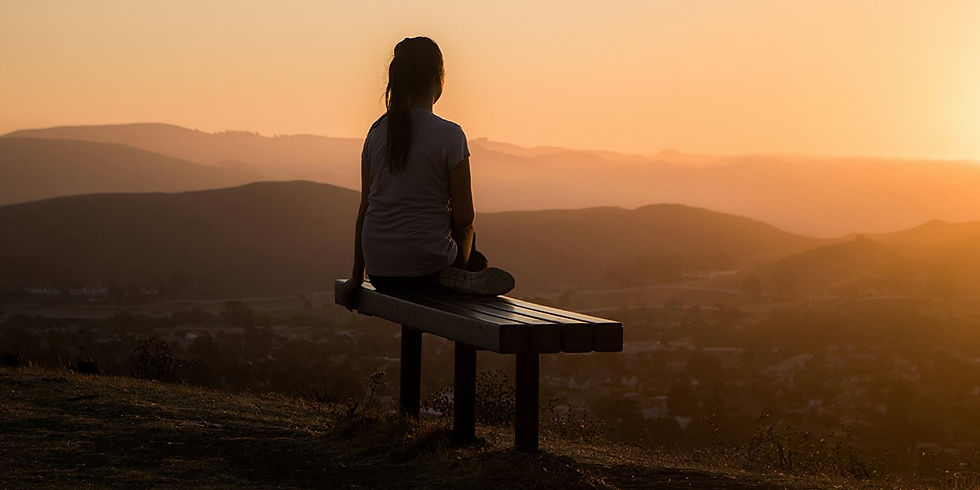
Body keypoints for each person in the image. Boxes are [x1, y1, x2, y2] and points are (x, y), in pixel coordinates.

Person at [339, 36, 514, 309]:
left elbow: (365, 210)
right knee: (469, 235)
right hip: (429, 272)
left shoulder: (375, 133)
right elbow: (465, 216)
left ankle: (465, 272)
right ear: (439, 79)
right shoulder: (450, 135)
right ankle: (467, 273)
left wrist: (355, 277)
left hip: (380, 273)